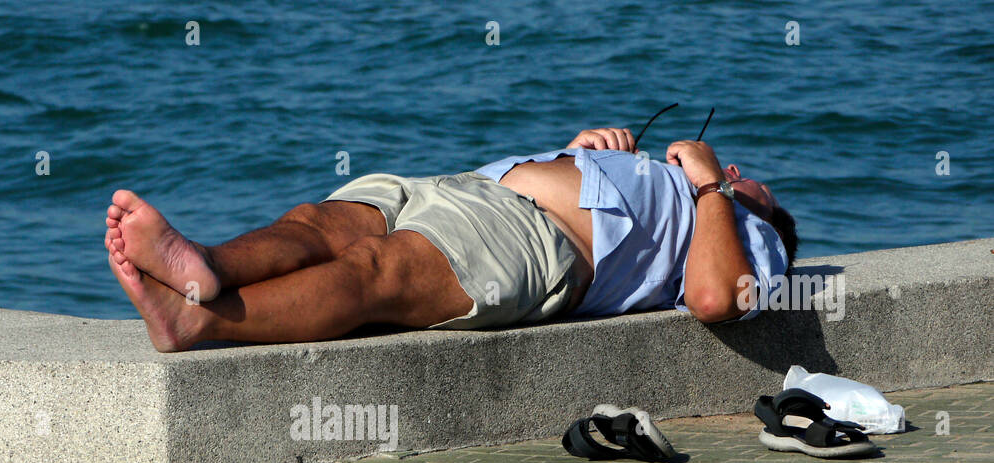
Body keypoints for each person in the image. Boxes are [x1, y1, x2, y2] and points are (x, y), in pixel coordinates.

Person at [103, 127, 797, 352]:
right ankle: (203, 266)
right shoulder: (705, 200)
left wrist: (711, 188)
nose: (740, 172)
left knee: (372, 270)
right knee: (315, 222)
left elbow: (713, 296)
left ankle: (202, 320)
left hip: (536, 244)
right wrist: (581, 153)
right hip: (470, 189)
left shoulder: (749, 234)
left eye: (753, 182)